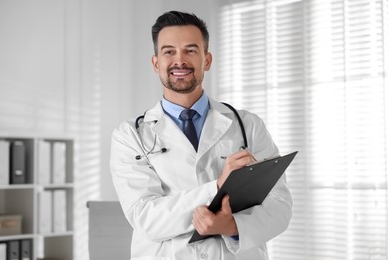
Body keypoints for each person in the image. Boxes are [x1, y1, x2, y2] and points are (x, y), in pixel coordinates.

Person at [110, 10, 292, 260]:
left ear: (207, 60)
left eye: (190, 50)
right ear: (156, 63)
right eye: (169, 51)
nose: (180, 60)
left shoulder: (248, 126)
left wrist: (231, 227)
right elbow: (145, 217)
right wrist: (217, 186)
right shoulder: (130, 135)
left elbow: (280, 205)